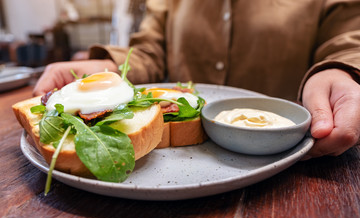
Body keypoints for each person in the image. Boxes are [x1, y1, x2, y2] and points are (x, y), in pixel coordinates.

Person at [33, 0, 360, 160]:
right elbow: (150, 52)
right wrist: (107, 69)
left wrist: (340, 70)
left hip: (293, 159)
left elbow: (349, 38)